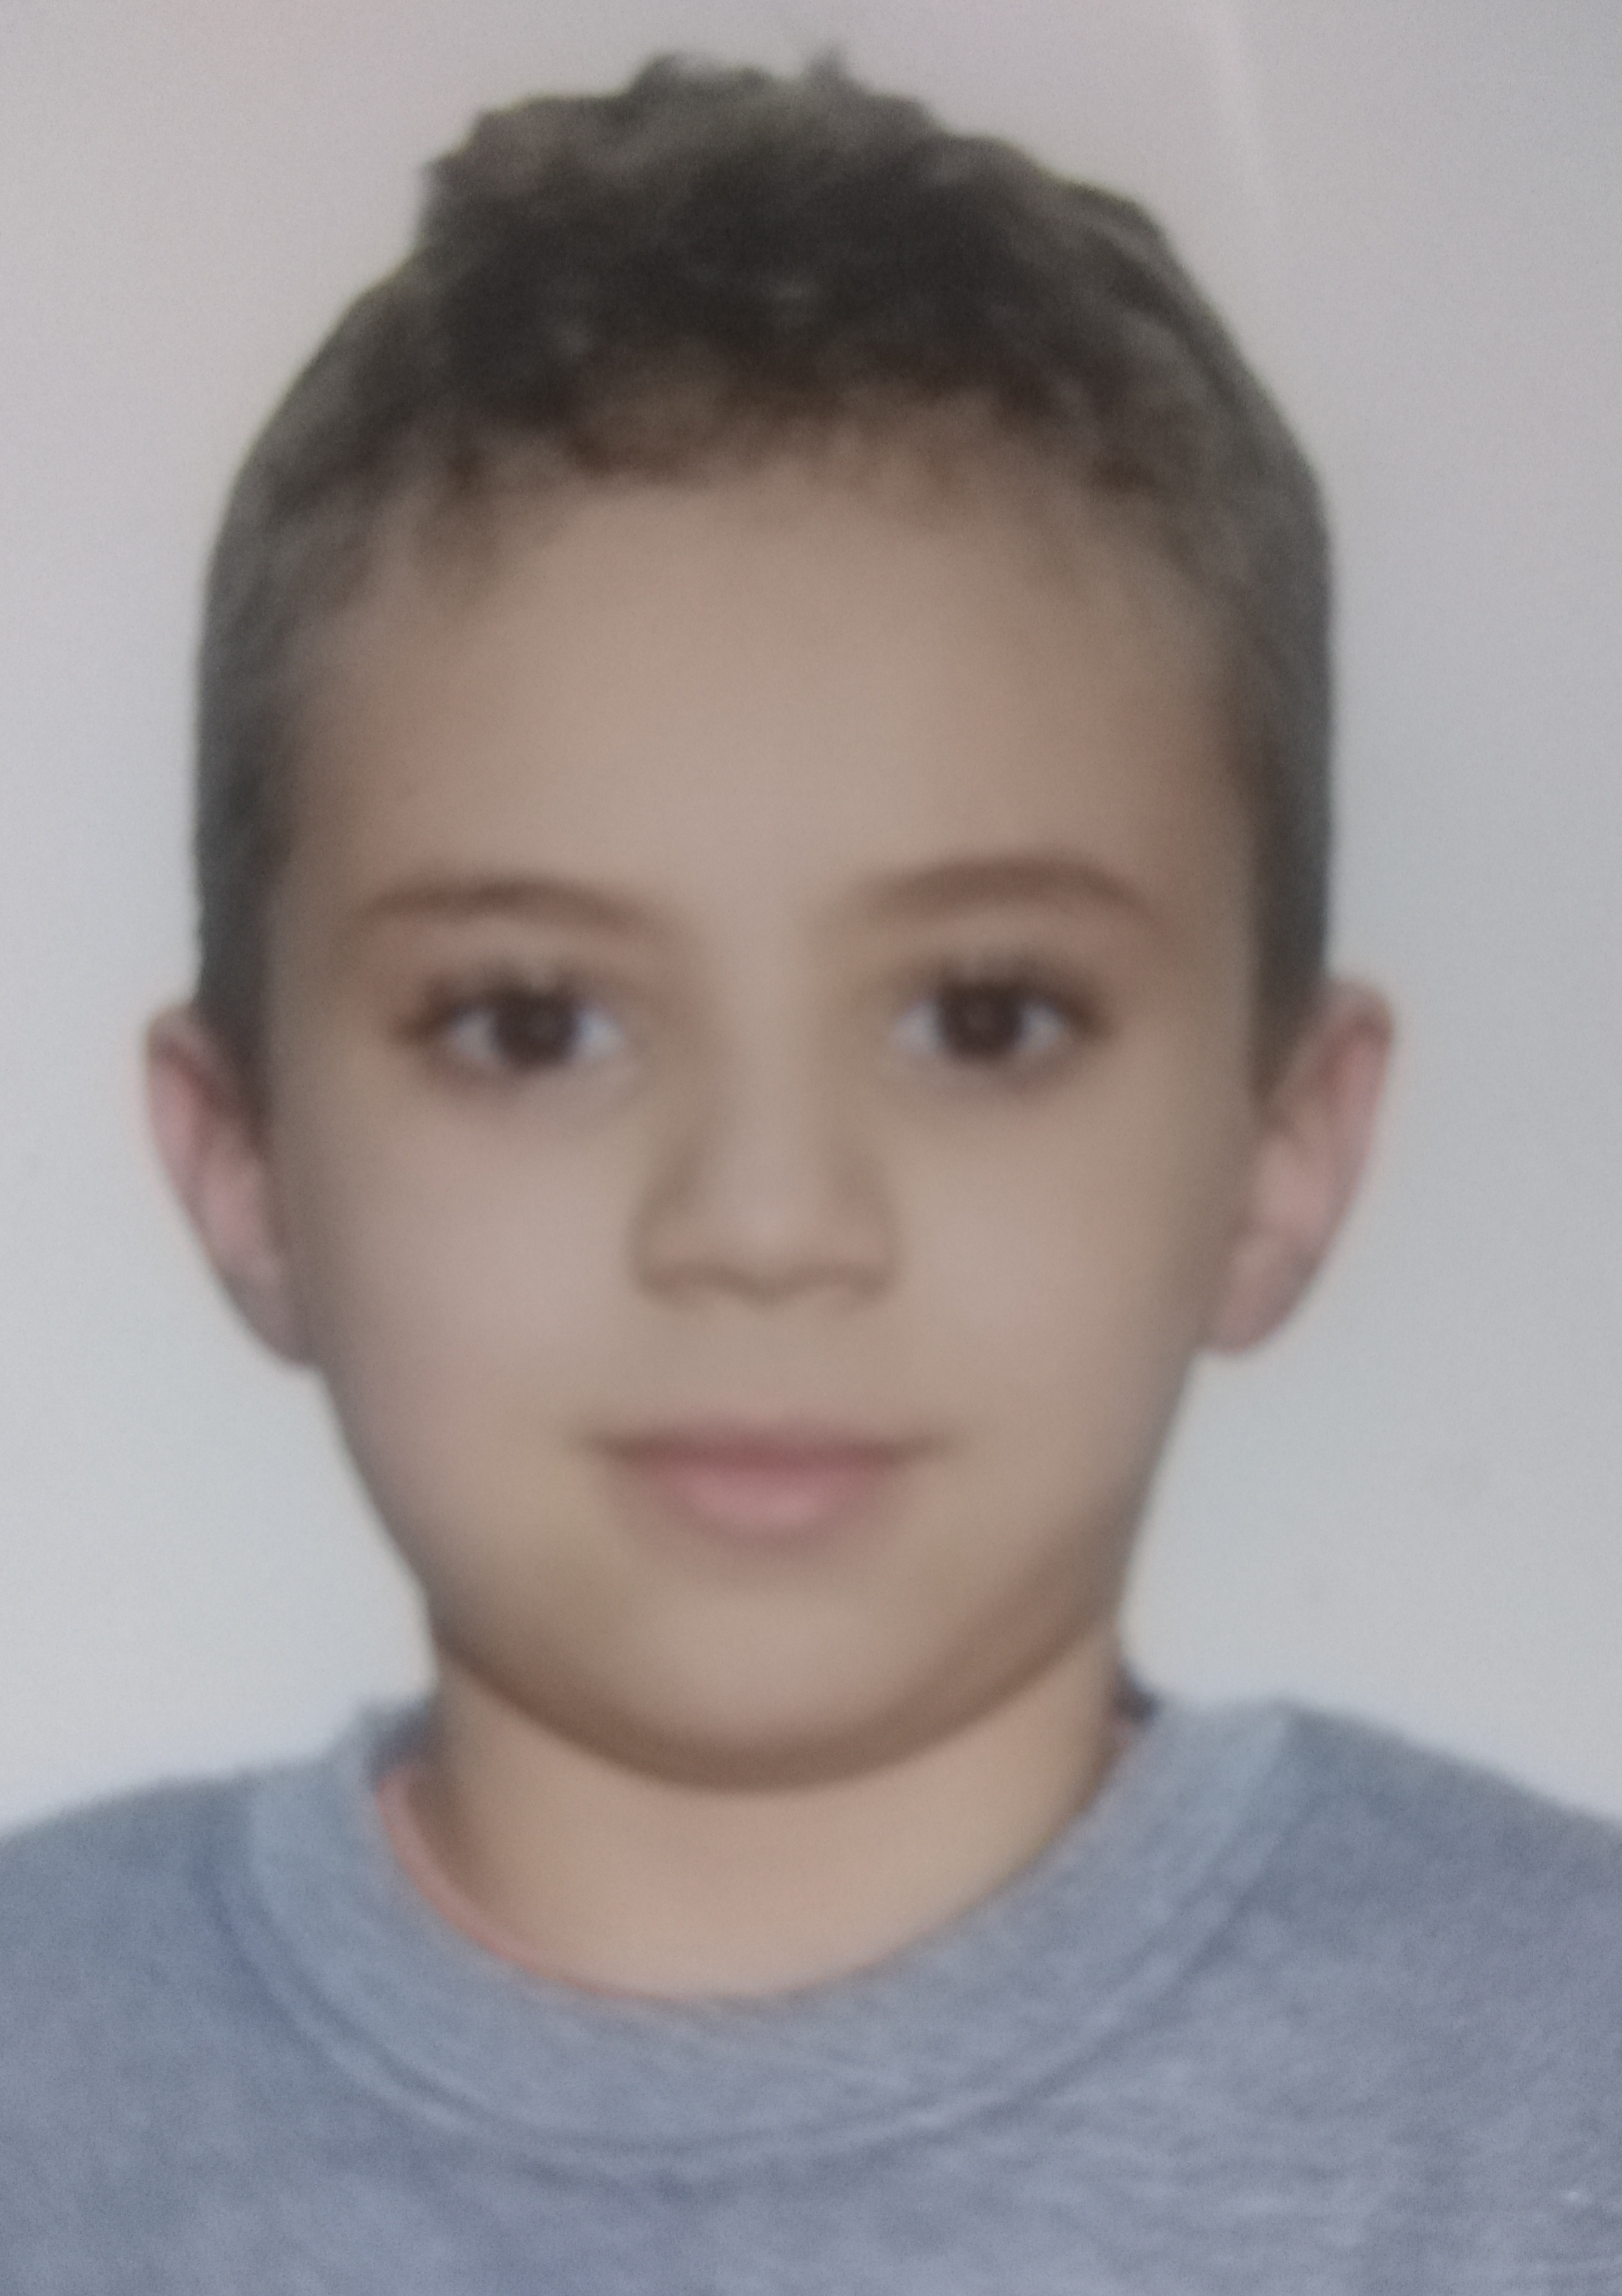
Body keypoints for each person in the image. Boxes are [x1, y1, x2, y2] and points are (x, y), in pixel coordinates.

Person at [1, 53, 1617, 2292]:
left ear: (1280, 1146)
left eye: (984, 1018)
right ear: (246, 1158)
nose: (763, 1224)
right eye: (531, 1023)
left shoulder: (1557, 2093)